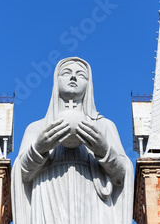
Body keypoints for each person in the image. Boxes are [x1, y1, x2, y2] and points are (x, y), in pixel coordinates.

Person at [11, 57, 133, 224]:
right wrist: (39, 148)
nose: (73, 77)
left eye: (81, 74)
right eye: (66, 73)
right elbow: (22, 172)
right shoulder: (37, 128)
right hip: (48, 197)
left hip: (92, 202)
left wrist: (103, 150)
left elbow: (122, 174)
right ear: (56, 80)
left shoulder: (103, 125)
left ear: (89, 84)